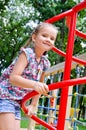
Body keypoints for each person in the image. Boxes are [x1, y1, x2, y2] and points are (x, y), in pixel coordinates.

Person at [0, 22, 58, 130]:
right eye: (44, 35)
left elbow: (39, 86)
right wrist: (35, 84)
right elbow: (14, 78)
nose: (48, 39)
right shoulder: (27, 54)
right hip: (5, 96)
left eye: (52, 38)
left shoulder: (45, 63)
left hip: (17, 102)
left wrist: (33, 104)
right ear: (34, 37)